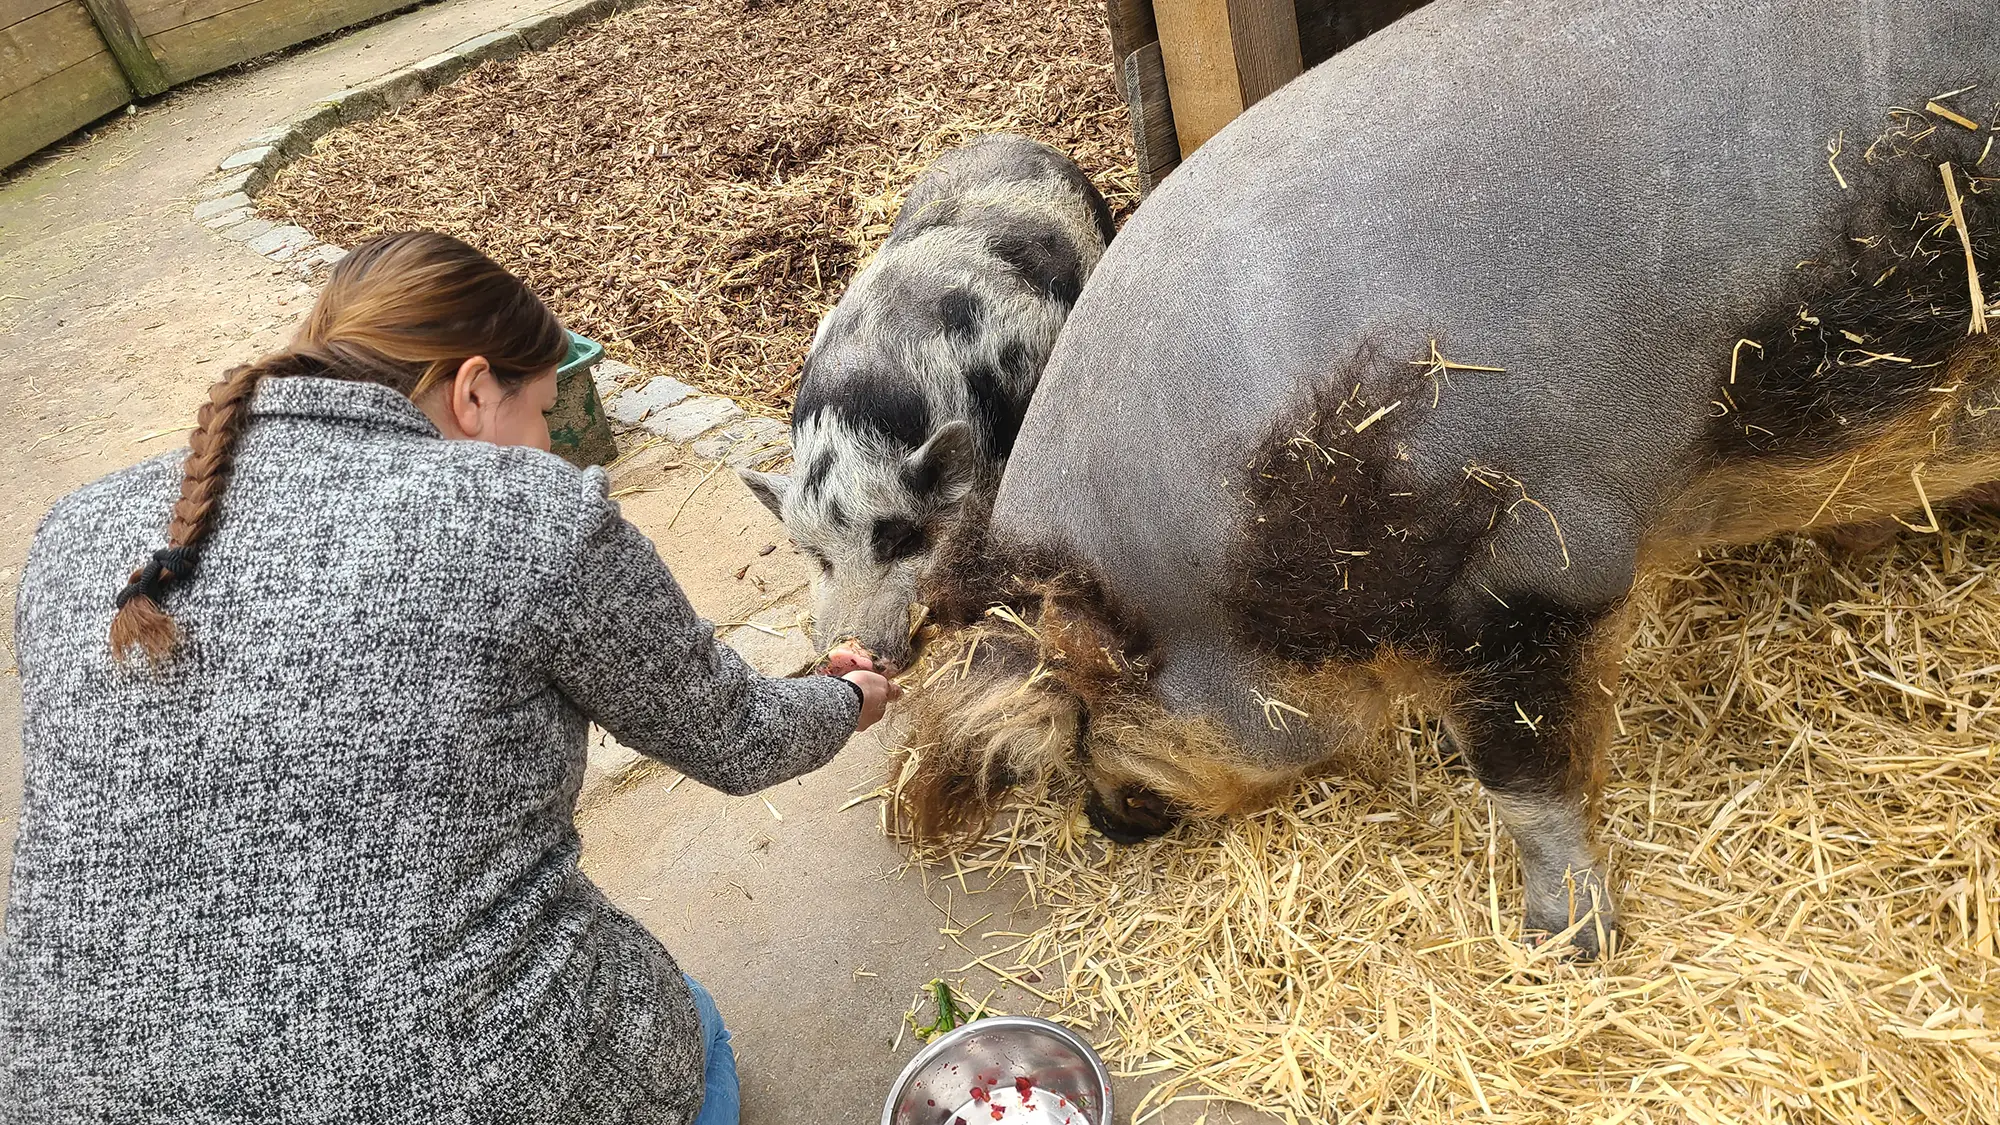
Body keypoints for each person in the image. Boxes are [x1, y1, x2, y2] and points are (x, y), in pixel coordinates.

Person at [0, 231, 899, 1124]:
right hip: (458, 1088)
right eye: (545, 412)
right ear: (474, 391)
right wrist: (846, 695)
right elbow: (737, 739)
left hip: (59, 1092)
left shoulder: (76, 529)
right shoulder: (528, 514)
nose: (553, 443)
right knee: (687, 1026)